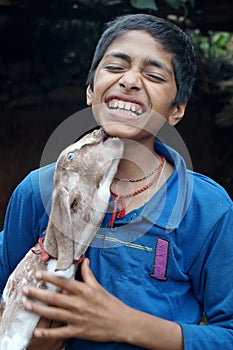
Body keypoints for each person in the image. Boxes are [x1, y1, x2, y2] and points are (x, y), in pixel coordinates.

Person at [0, 13, 233, 350]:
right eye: (114, 67)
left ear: (176, 111)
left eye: (153, 75)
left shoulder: (207, 209)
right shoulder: (41, 190)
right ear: (91, 91)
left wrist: (126, 325)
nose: (130, 81)